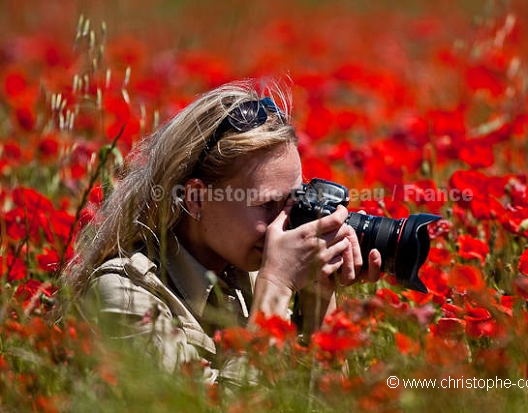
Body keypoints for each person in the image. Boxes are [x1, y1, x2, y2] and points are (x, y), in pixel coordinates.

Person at [60, 78, 382, 385]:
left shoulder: (251, 272)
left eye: (294, 202)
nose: (283, 224)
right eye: (268, 204)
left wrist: (319, 295)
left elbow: (325, 400)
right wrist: (275, 290)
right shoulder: (124, 293)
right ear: (197, 198)